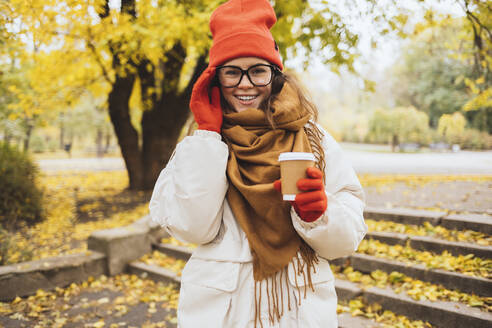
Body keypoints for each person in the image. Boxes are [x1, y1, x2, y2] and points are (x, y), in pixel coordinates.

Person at [149, 0, 367, 327]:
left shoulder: (315, 138)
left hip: (299, 313)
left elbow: (347, 239)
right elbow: (194, 228)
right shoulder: (197, 145)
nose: (246, 83)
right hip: (220, 315)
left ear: (275, 74)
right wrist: (209, 135)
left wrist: (320, 216)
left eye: (258, 70)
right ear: (215, 79)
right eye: (232, 71)